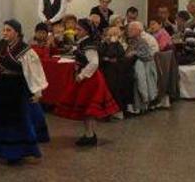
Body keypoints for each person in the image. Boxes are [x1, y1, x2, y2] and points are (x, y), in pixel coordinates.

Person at [0, 20, 49, 164]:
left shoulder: (25, 51)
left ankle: (15, 152)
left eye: (8, 30)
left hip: (18, 88)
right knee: (0, 117)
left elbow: (34, 72)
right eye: (4, 30)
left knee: (17, 119)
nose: (5, 33)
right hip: (2, 86)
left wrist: (37, 92)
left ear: (17, 33)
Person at [55, 18, 120, 146]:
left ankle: (90, 135)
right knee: (86, 109)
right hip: (88, 78)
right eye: (77, 29)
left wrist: (82, 75)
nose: (76, 31)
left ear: (86, 31)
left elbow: (94, 62)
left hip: (91, 80)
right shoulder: (83, 42)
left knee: (88, 109)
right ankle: (89, 134)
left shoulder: (89, 44)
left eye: (79, 29)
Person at [126, 21, 159, 115]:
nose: (129, 31)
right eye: (129, 29)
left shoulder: (142, 41)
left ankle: (138, 104)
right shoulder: (132, 41)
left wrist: (135, 53)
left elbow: (148, 56)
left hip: (144, 66)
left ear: (138, 31)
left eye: (131, 29)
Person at [99, 26, 132, 117]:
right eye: (109, 35)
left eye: (114, 35)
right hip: (106, 68)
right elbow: (103, 57)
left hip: (118, 70)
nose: (110, 37)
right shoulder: (103, 44)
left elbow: (116, 56)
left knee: (117, 80)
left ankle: (118, 109)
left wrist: (113, 45)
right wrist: (109, 58)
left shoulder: (118, 45)